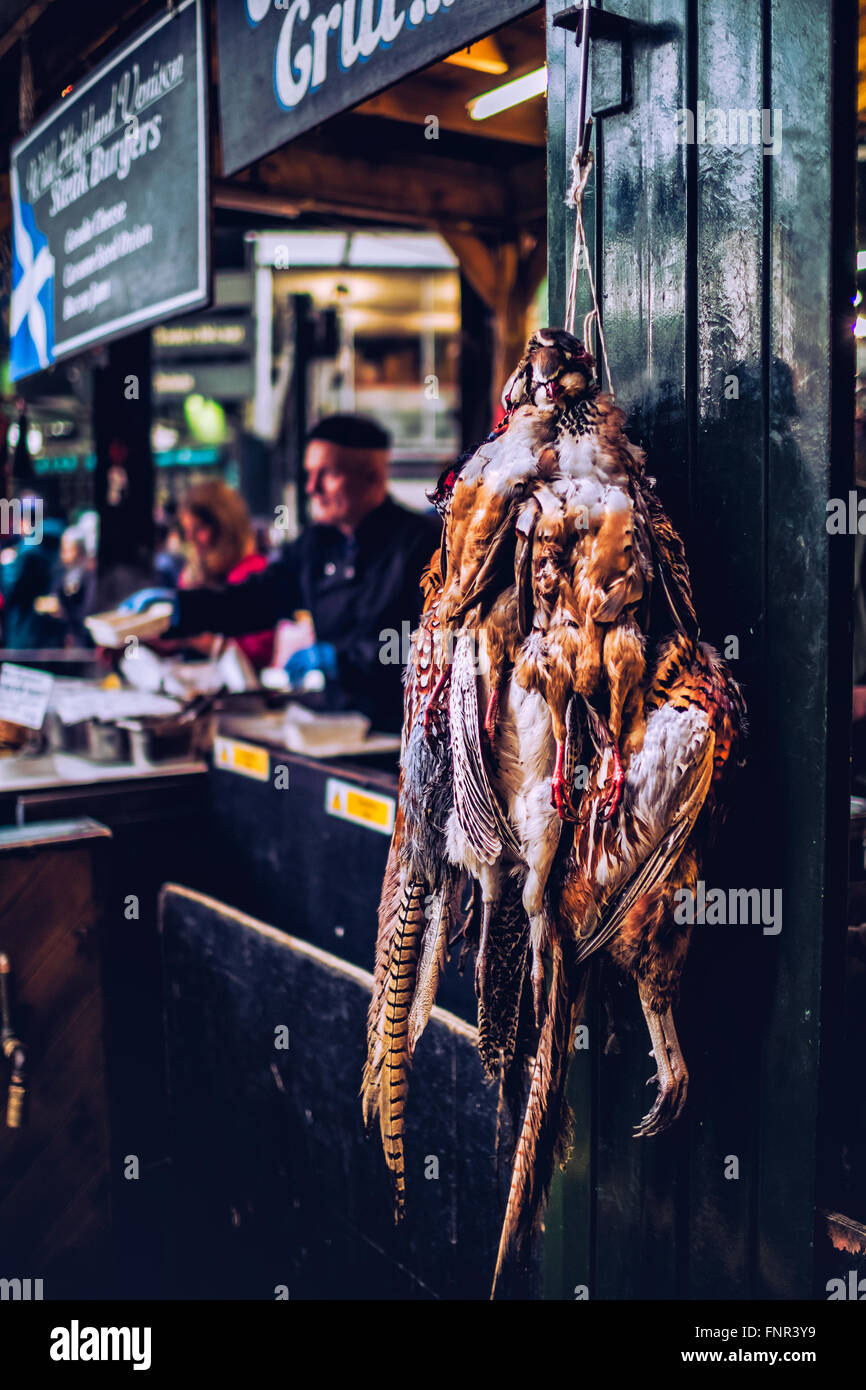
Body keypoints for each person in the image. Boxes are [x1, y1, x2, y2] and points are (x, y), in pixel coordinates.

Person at [125, 415, 442, 730]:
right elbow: (253, 600)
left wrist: (343, 660)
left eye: (326, 474)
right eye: (309, 474)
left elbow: (446, 645)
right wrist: (178, 609)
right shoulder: (315, 545)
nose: (311, 487)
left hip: (404, 734)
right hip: (337, 726)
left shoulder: (423, 544)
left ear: (372, 476)